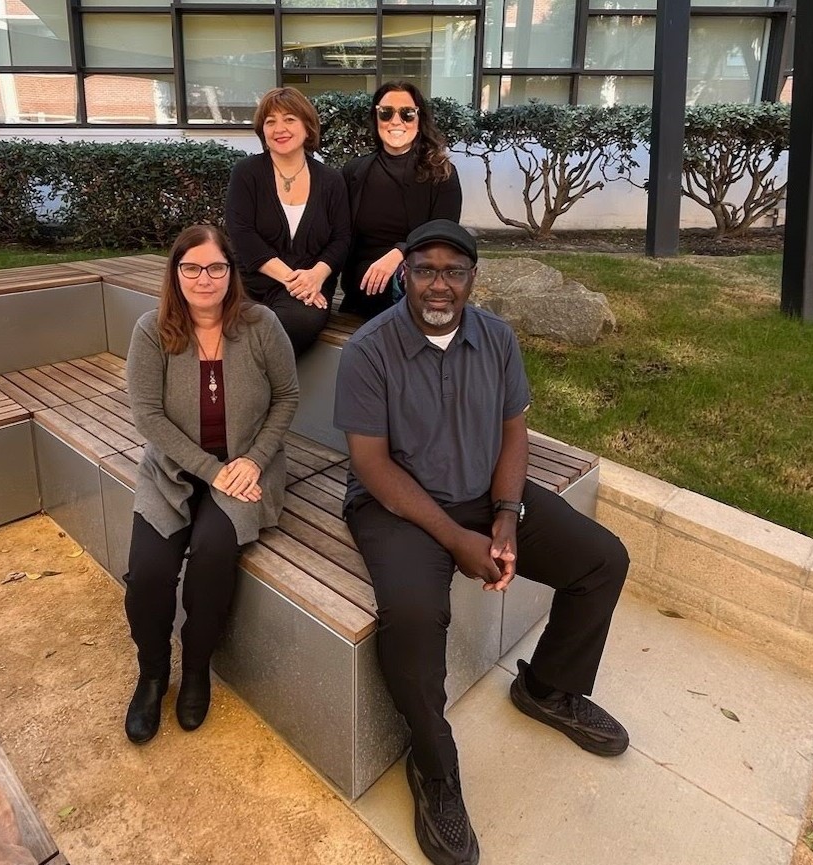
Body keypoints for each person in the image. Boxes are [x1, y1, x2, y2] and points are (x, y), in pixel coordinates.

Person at [333, 220, 629, 865]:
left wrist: (503, 515)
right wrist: (457, 538)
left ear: (473, 277)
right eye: (425, 270)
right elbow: (374, 468)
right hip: (398, 507)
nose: (440, 284)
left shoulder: (496, 338)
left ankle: (547, 688)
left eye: (454, 271)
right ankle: (434, 768)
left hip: (482, 494)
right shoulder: (369, 350)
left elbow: (513, 432)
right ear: (405, 273)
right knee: (413, 615)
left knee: (603, 560)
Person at [123, 224, 299, 745]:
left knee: (212, 558)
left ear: (230, 273)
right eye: (192, 268)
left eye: (216, 268)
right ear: (175, 274)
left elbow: (287, 397)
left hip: (246, 470)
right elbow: (149, 418)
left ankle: (196, 666)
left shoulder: (260, 324)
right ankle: (153, 674)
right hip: (174, 470)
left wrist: (253, 460)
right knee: (149, 574)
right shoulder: (151, 330)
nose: (204, 278)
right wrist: (210, 469)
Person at [225, 86, 351, 356]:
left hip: (310, 283)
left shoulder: (331, 180)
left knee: (298, 322)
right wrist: (291, 280)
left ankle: (258, 388)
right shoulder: (246, 173)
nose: (279, 128)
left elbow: (342, 239)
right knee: (228, 321)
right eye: (270, 122)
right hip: (253, 281)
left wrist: (317, 275)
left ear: (307, 126)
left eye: (289, 119)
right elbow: (242, 234)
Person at [339, 82, 462, 320]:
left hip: (419, 272)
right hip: (364, 282)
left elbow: (445, 234)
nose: (396, 121)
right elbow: (338, 233)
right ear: (376, 118)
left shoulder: (441, 173)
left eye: (406, 114)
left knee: (417, 282)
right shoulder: (354, 172)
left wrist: (400, 253)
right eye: (386, 113)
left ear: (419, 118)